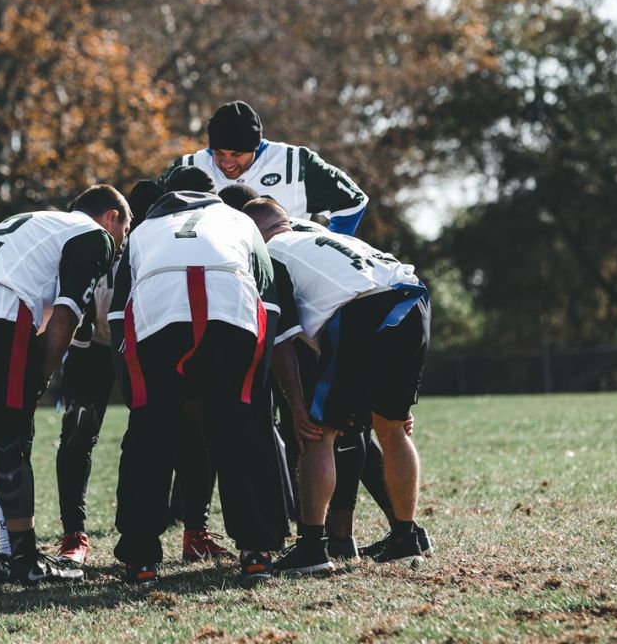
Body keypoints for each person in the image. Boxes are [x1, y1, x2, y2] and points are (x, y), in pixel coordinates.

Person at [0, 184, 130, 585]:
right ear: (112, 218)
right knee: (9, 441)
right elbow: (67, 313)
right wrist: (43, 374)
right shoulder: (95, 235)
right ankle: (23, 559)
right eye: (125, 229)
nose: (122, 244)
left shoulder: (30, 221)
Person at [108, 167, 289, 588]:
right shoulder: (239, 219)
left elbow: (119, 311)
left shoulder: (145, 228)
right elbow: (270, 298)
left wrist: (133, 385)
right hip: (231, 313)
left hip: (160, 315)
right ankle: (256, 549)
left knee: (149, 433)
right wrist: (258, 384)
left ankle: (140, 556)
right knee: (245, 426)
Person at [244, 198, 431, 575]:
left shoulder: (268, 254)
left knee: (318, 434)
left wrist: (297, 406)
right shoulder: (323, 237)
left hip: (362, 310)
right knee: (392, 427)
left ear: (254, 232)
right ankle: (405, 538)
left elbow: (282, 341)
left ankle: (313, 547)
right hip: (414, 299)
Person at [54, 180, 163, 566]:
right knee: (77, 431)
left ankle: (187, 526)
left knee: (155, 430)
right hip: (89, 347)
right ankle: (73, 533)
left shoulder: (141, 242)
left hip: (136, 340)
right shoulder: (71, 241)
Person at [160, 100, 368, 235]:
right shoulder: (189, 167)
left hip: (285, 276)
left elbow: (352, 202)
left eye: (237, 155)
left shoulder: (294, 163)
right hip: (217, 274)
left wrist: (331, 249)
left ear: (255, 147)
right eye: (219, 154)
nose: (227, 163)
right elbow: (146, 209)